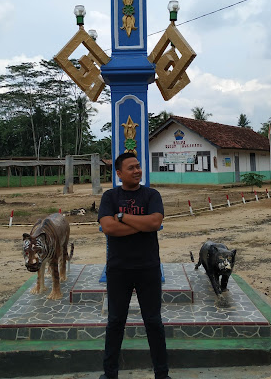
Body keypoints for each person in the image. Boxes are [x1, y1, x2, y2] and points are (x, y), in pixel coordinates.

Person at [98, 152, 171, 379]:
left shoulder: (151, 195)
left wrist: (122, 215)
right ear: (119, 173)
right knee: (115, 323)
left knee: (153, 323)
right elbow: (109, 228)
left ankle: (162, 374)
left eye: (138, 166)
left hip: (148, 268)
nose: (137, 171)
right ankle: (110, 374)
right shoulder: (109, 197)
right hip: (118, 269)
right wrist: (142, 225)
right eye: (131, 168)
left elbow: (155, 222)